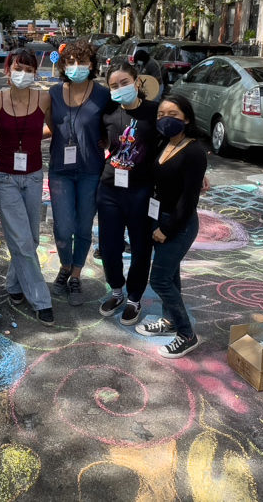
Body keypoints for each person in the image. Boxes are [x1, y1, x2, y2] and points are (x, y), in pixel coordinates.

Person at [135, 95, 209, 358]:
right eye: (161, 114)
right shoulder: (164, 143)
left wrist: (167, 229)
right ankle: (169, 321)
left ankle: (187, 334)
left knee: (160, 279)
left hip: (179, 224)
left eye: (174, 114)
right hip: (160, 216)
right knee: (171, 273)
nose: (166, 119)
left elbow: (189, 200)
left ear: (186, 118)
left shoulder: (195, 151)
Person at [0, 50, 54, 325]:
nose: (23, 73)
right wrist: (7, 144)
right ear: (8, 69)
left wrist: (30, 140)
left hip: (34, 173)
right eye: (19, 67)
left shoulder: (43, 97)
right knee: (22, 240)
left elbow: (52, 127)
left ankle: (14, 286)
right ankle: (41, 300)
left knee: (31, 239)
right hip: (5, 174)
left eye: (29, 69)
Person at [97, 61, 159, 327]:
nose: (120, 88)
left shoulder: (155, 112)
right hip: (109, 188)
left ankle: (134, 297)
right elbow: (102, 142)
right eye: (113, 85)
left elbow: (174, 144)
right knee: (109, 246)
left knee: (141, 247)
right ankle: (117, 291)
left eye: (124, 83)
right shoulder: (108, 111)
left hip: (141, 190)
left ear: (136, 82)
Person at [47, 39, 109, 306]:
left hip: (90, 171)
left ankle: (75, 275)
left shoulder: (103, 94)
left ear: (91, 64)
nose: (76, 66)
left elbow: (118, 126)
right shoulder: (51, 94)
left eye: (81, 61)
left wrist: (108, 143)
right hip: (60, 170)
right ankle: (64, 265)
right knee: (63, 227)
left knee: (83, 226)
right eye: (70, 61)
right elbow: (49, 126)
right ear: (63, 64)